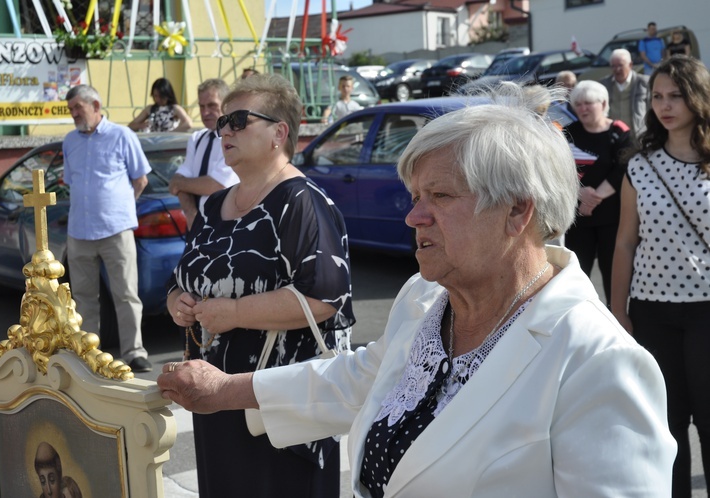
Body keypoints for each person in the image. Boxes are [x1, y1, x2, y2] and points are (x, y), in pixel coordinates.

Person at [158, 82, 676, 497]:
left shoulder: (598, 362)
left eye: (441, 196)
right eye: (414, 195)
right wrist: (225, 391)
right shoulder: (426, 299)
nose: (413, 216)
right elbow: (359, 377)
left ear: (519, 210)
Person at [165, 73, 355, 497]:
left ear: (278, 133)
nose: (225, 131)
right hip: (215, 398)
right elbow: (181, 276)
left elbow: (324, 296)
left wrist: (233, 313)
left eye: (238, 120)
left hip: (281, 407)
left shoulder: (303, 203)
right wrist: (178, 300)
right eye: (221, 124)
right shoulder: (214, 204)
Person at [612, 55, 710, 498]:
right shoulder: (640, 165)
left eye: (676, 96)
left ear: (697, 98)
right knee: (665, 425)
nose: (665, 105)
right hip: (651, 311)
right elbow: (625, 243)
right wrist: (618, 310)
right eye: (657, 97)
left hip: (707, 310)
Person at [63, 85, 152, 373]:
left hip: (116, 229)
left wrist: (121, 207)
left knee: (126, 293)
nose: (74, 114)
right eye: (71, 109)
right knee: (84, 297)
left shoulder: (122, 135)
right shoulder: (69, 141)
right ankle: (90, 353)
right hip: (79, 231)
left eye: (78, 107)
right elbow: (69, 181)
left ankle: (134, 352)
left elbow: (140, 180)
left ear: (96, 104)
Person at [563, 80, 631, 306]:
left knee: (613, 273)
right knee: (577, 273)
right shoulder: (567, 134)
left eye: (588, 103)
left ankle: (617, 317)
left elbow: (624, 169)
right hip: (578, 219)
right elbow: (557, 168)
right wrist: (579, 193)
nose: (582, 109)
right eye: (578, 104)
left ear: (603, 104)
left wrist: (594, 198)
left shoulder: (619, 132)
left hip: (612, 219)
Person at [169, 79, 239, 228]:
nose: (205, 112)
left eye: (212, 105)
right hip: (197, 229)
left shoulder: (236, 139)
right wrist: (192, 216)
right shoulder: (197, 138)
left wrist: (182, 184)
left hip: (224, 228)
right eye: (201, 106)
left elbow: (217, 185)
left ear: (226, 105)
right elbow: (177, 182)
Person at [599, 48, 650, 138]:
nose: (617, 69)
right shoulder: (604, 85)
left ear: (630, 65)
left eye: (620, 65)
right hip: (614, 137)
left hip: (639, 136)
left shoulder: (644, 83)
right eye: (613, 66)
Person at [128, 78, 192, 133]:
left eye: (161, 96)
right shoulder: (150, 109)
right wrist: (141, 125)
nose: (158, 99)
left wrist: (172, 133)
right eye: (155, 96)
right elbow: (131, 125)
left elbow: (188, 124)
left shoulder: (175, 108)